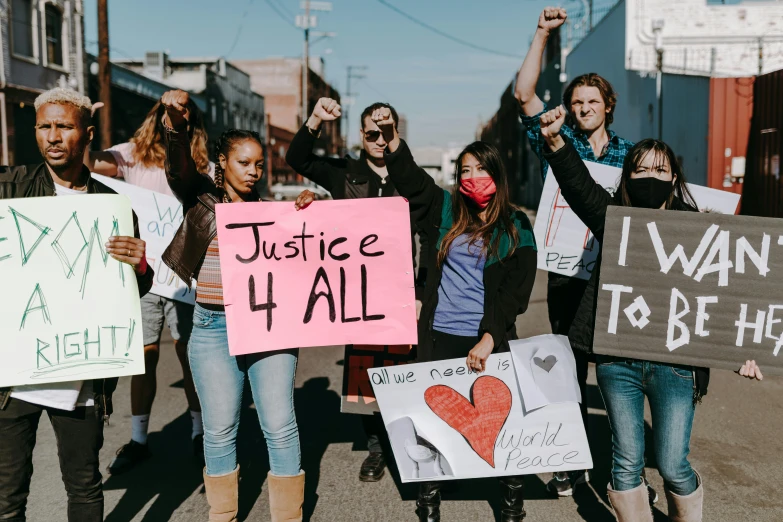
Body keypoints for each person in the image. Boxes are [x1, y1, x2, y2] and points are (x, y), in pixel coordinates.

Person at [538, 105, 764, 522]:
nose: (650, 179)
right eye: (640, 171)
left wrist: (745, 352)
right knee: (625, 463)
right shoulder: (612, 220)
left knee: (674, 464)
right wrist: (555, 141)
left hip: (674, 366)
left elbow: (729, 297)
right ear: (627, 177)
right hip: (617, 362)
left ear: (674, 178)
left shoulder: (699, 232)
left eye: (660, 171)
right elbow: (576, 183)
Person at [376, 106, 538, 522]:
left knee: (502, 422)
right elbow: (413, 181)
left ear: (497, 176)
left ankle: (511, 504)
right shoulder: (447, 211)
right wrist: (392, 139)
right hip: (440, 334)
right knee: (431, 419)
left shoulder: (517, 227)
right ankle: (428, 500)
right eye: (465, 171)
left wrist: (488, 339)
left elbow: (515, 294)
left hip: (488, 338)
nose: (471, 178)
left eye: (481, 170)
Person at [0, 87, 153, 521]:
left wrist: (139, 266)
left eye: (63, 126)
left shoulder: (113, 206)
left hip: (80, 372)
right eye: (43, 126)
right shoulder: (7, 189)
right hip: (13, 374)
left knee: (84, 486)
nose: (52, 136)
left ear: (86, 134)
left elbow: (133, 290)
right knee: (7, 494)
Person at [159, 89, 307, 522]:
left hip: (269, 326)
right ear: (221, 162)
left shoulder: (275, 213)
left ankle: (288, 516)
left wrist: (309, 212)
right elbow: (178, 167)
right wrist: (176, 126)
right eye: (244, 162)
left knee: (280, 427)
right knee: (220, 430)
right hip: (211, 326)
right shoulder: (201, 199)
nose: (254, 171)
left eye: (259, 163)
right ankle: (221, 516)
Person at [514, 6, 636, 499]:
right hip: (567, 275)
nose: (583, 107)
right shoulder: (554, 140)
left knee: (614, 372)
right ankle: (568, 459)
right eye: (576, 101)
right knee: (568, 372)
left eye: (592, 100)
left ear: (608, 105)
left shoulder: (631, 154)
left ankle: (619, 465)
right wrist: (543, 34)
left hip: (612, 277)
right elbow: (524, 94)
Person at [286, 98, 427, 482]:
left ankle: (408, 444)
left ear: (396, 133)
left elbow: (430, 231)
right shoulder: (343, 172)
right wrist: (315, 119)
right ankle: (377, 449)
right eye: (371, 132)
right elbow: (297, 158)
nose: (379, 139)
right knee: (366, 374)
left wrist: (421, 292)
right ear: (360, 136)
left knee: (404, 372)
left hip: (401, 291)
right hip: (357, 293)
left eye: (386, 132)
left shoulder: (409, 175)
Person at [86, 97, 212, 474]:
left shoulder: (201, 160)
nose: (176, 112)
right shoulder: (130, 154)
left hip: (185, 275)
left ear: (192, 118)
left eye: (184, 107)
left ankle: (199, 434)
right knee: (143, 357)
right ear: (156, 115)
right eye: (169, 107)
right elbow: (88, 163)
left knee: (192, 357)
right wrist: (83, 126)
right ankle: (139, 440)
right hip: (143, 272)